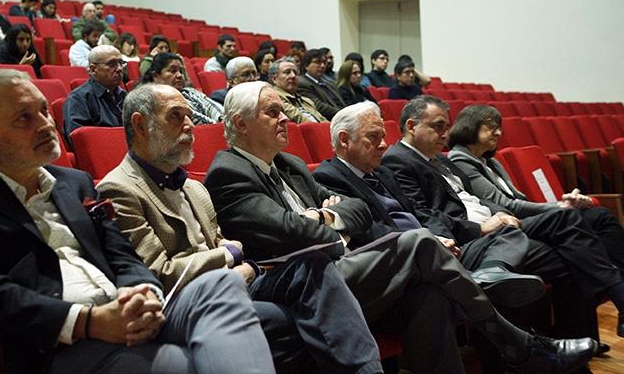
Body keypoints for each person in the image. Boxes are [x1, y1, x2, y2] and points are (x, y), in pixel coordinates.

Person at [203, 81, 596, 374]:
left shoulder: (287, 164)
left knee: (429, 297)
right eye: (273, 112)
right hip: (301, 280)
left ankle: (512, 339)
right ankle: (517, 344)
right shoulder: (227, 172)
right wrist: (327, 219)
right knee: (419, 243)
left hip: (343, 263)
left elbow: (355, 210)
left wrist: (325, 219)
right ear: (239, 122)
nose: (285, 117)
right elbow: (293, 231)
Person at [0, 69, 278, 374]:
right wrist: (88, 320)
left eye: (44, 111)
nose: (45, 124)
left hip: (125, 312)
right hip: (55, 341)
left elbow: (123, 256)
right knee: (188, 364)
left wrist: (143, 294)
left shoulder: (75, 182)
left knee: (220, 284)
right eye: (25, 118)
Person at [97, 83, 385, 374]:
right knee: (303, 320)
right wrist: (229, 257)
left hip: (238, 280)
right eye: (176, 116)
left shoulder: (195, 188)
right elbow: (159, 273)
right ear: (140, 125)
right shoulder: (119, 189)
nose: (190, 125)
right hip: (185, 299)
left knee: (311, 264)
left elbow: (227, 245)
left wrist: (236, 259)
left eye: (188, 115)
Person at [382, 95, 624, 341]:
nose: (446, 134)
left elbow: (471, 198)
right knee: (565, 222)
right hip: (472, 239)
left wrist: (499, 214)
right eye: (438, 126)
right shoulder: (397, 161)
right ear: (412, 126)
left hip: (498, 226)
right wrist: (481, 228)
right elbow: (424, 214)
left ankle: (575, 352)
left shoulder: (440, 159)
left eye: (447, 126)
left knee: (572, 254)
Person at [313, 101, 548, 304]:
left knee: (509, 233)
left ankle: (490, 273)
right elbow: (370, 230)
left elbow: (421, 213)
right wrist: (428, 243)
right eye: (374, 137)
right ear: (344, 140)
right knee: (435, 296)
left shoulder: (382, 172)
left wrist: (450, 237)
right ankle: (520, 341)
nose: (384, 144)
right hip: (406, 257)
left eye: (384, 136)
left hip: (436, 246)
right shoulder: (329, 177)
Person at [448, 104, 624, 279]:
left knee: (600, 216)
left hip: (522, 217)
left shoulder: (490, 161)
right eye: (491, 127)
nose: (498, 133)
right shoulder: (460, 160)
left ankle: (617, 280)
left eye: (499, 128)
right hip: (509, 223)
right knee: (586, 226)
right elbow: (504, 204)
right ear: (470, 125)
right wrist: (558, 207)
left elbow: (518, 198)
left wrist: (561, 205)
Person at [63, 45, 126, 146]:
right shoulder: (78, 99)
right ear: (93, 69)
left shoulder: (125, 96)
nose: (119, 69)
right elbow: (79, 140)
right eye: (112, 64)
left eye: (121, 63)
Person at [144, 52, 223, 125]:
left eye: (181, 71)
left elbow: (210, 106)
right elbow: (192, 118)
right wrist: (219, 125)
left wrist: (222, 118)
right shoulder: (156, 101)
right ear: (155, 76)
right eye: (172, 71)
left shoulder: (190, 92)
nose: (179, 75)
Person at [270, 58, 327, 124]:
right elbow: (298, 119)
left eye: (295, 72)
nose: (293, 76)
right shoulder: (275, 97)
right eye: (287, 72)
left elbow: (323, 120)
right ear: (274, 79)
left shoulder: (307, 101)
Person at [297, 48, 345, 120]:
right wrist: (343, 114)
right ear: (306, 65)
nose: (322, 66)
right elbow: (318, 106)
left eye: (324, 62)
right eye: (318, 62)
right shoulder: (302, 83)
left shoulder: (329, 82)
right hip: (329, 120)